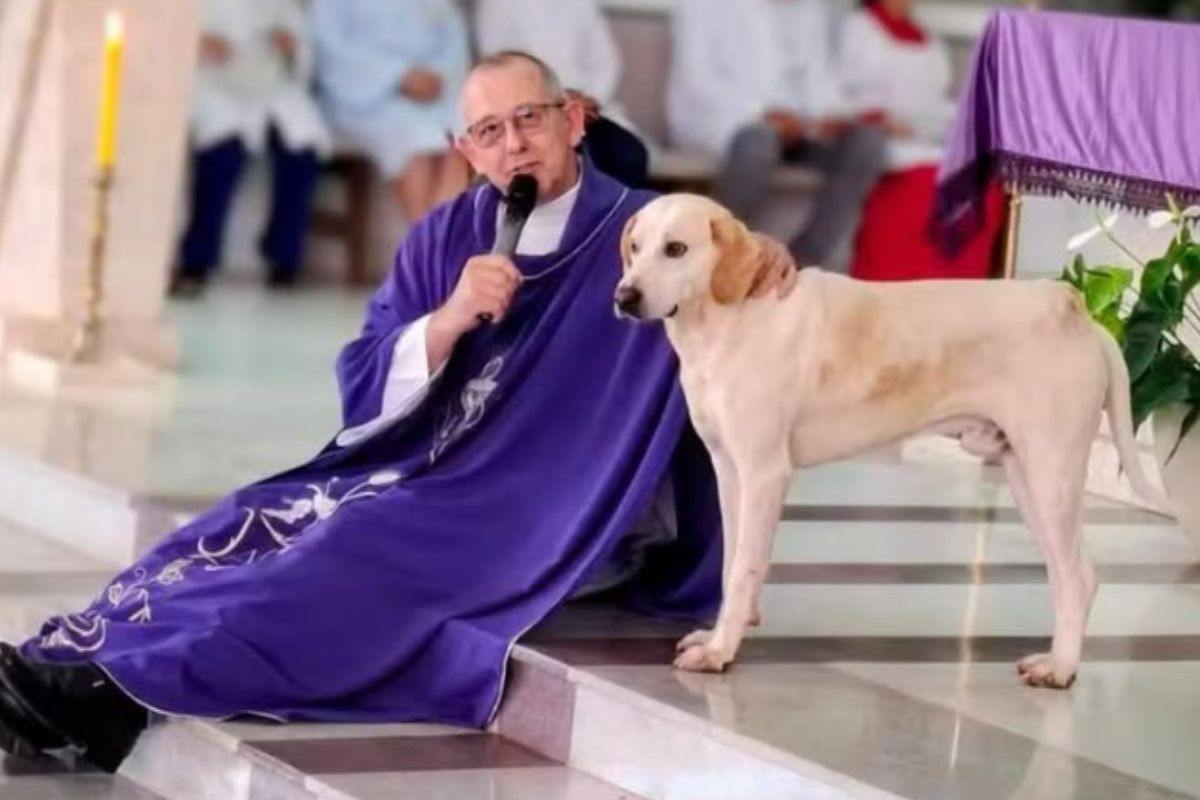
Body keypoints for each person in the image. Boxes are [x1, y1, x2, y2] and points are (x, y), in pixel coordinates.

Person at [0, 52, 797, 773]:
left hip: (546, 505)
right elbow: (366, 371)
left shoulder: (648, 230)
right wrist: (445, 322)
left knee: (349, 547)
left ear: (574, 119)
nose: (514, 145)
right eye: (490, 131)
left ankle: (120, 693)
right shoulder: (445, 234)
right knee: (250, 520)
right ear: (466, 151)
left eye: (530, 119)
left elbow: (738, 280)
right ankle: (79, 658)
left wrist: (770, 262)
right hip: (420, 470)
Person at [668, 0, 888, 268]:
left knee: (867, 143)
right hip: (724, 120)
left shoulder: (809, 9)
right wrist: (763, 114)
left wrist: (830, 114)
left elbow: (818, 78)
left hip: (797, 128)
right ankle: (717, 259)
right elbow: (699, 82)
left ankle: (799, 265)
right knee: (759, 142)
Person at [172, 0, 330, 298]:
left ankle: (284, 258)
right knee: (222, 151)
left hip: (272, 90)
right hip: (217, 88)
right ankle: (197, 261)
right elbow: (168, 37)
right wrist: (199, 44)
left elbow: (304, 51)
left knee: (301, 150)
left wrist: (291, 48)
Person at [842, 0, 1005, 281]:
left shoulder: (928, 40)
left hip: (930, 137)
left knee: (985, 180)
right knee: (926, 181)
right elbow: (848, 91)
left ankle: (960, 289)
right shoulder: (859, 29)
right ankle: (899, 280)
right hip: (888, 140)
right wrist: (882, 118)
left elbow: (938, 101)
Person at [312, 0, 471, 223]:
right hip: (367, 96)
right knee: (417, 134)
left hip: (434, 93)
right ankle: (426, 245)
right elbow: (329, 47)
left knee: (464, 132)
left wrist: (436, 79)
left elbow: (453, 42)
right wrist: (399, 76)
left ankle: (441, 245)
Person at [474, 0, 649, 187]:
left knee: (630, 154)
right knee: (580, 156)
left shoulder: (580, 5)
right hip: (533, 113)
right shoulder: (496, 6)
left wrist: (587, 100)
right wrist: (556, 101)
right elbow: (502, 71)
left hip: (591, 109)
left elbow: (606, 63)